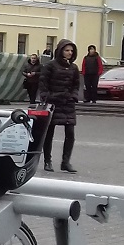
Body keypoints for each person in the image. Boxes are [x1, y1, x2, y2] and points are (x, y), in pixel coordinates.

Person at [38, 39, 79, 174]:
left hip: (68, 104)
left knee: (70, 134)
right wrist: (48, 97)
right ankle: (47, 160)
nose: (69, 53)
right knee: (49, 133)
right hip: (53, 103)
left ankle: (65, 162)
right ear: (60, 50)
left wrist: (73, 96)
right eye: (67, 50)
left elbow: (76, 85)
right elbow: (43, 83)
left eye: (71, 51)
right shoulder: (50, 65)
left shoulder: (74, 68)